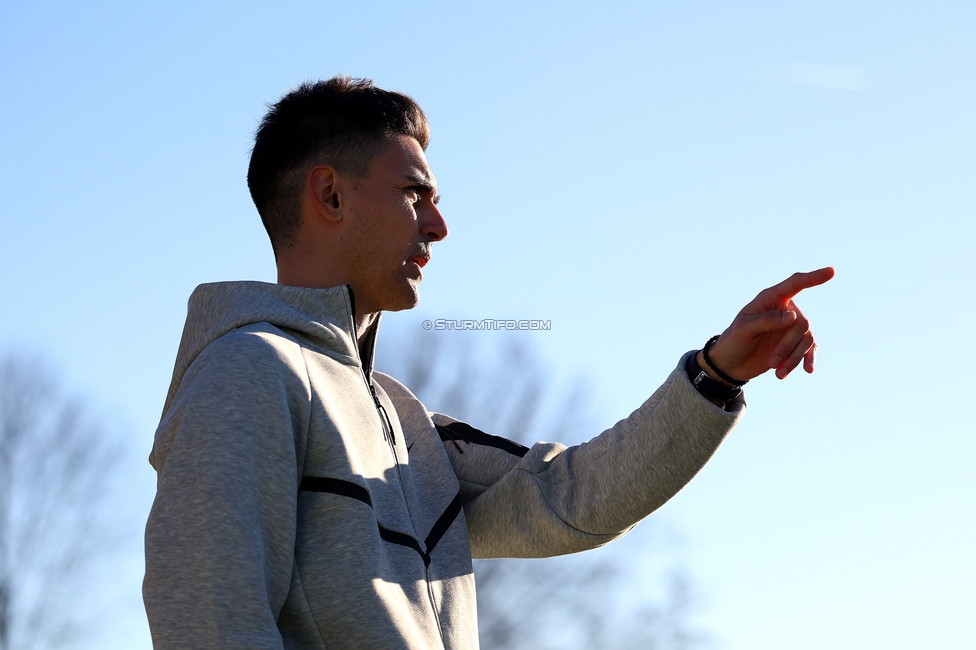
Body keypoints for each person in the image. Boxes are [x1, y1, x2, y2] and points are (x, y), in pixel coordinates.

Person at [143, 76, 833, 649]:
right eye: (416, 193)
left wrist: (717, 372)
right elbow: (209, 622)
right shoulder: (248, 370)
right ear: (329, 195)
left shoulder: (403, 421)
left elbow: (572, 500)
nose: (439, 225)